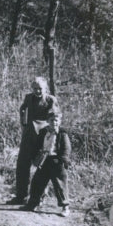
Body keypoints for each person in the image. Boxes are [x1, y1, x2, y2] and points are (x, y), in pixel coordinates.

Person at [9, 76, 58, 205]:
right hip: (29, 136)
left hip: (43, 137)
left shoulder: (50, 100)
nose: (37, 91)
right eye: (35, 88)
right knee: (22, 165)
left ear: (45, 88)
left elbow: (55, 117)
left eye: (40, 89)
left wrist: (51, 134)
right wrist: (23, 124)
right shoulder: (28, 98)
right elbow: (23, 109)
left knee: (42, 166)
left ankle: (38, 197)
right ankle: (21, 196)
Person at [23, 110, 72, 216]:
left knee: (60, 184)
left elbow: (66, 149)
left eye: (56, 120)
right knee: (37, 182)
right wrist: (34, 157)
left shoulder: (62, 133)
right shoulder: (43, 132)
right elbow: (36, 146)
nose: (54, 123)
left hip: (57, 161)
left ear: (59, 121)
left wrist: (63, 160)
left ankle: (65, 207)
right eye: (52, 120)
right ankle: (33, 203)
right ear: (47, 121)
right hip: (44, 160)